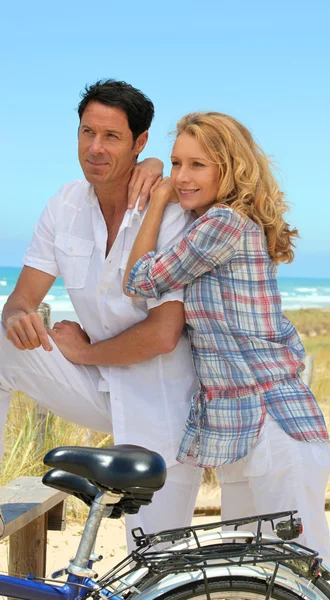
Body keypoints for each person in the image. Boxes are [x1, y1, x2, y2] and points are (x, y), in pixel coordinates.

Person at [123, 111, 330, 565]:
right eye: (177, 164)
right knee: (249, 583)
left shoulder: (224, 223)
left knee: (300, 576)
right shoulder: (211, 223)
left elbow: (139, 280)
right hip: (236, 431)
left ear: (230, 167)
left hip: (275, 425)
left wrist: (157, 200)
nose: (181, 177)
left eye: (197, 164)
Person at [0, 80, 203, 539]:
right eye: (86, 132)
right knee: (1, 343)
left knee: (155, 562)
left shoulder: (167, 212)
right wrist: (17, 319)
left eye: (111, 136)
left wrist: (85, 352)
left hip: (164, 406)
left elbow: (162, 334)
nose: (95, 147)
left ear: (140, 143)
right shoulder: (65, 203)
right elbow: (20, 300)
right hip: (97, 389)